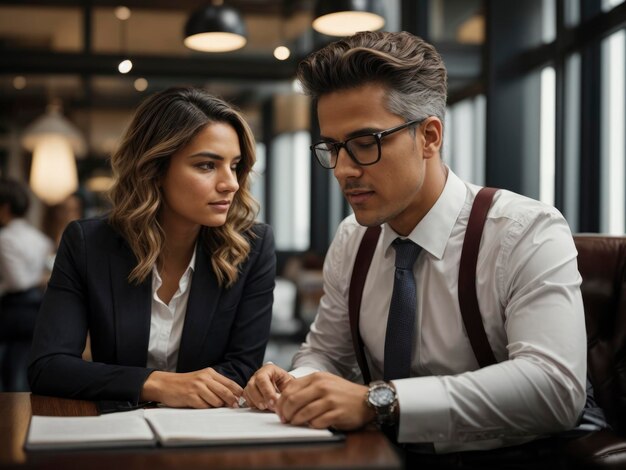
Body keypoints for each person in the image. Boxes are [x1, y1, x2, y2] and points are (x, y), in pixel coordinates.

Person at [243, 31, 588, 463]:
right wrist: (298, 381)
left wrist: (382, 401)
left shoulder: (525, 231)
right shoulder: (353, 237)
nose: (344, 170)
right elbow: (328, 352)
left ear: (428, 136)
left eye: (365, 144)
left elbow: (555, 387)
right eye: (332, 147)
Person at [29, 87, 276, 409]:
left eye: (235, 165)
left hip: (208, 433)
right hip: (117, 430)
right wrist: (156, 383)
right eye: (206, 165)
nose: (229, 182)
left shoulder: (253, 248)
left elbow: (243, 368)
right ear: (155, 169)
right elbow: (48, 367)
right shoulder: (88, 244)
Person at [0, 178, 53, 391]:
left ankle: (11, 418)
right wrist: (43, 277)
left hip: (15, 310)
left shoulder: (5, 238)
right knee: (23, 364)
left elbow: (18, 282)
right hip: (37, 307)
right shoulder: (40, 238)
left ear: (5, 207)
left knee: (11, 370)